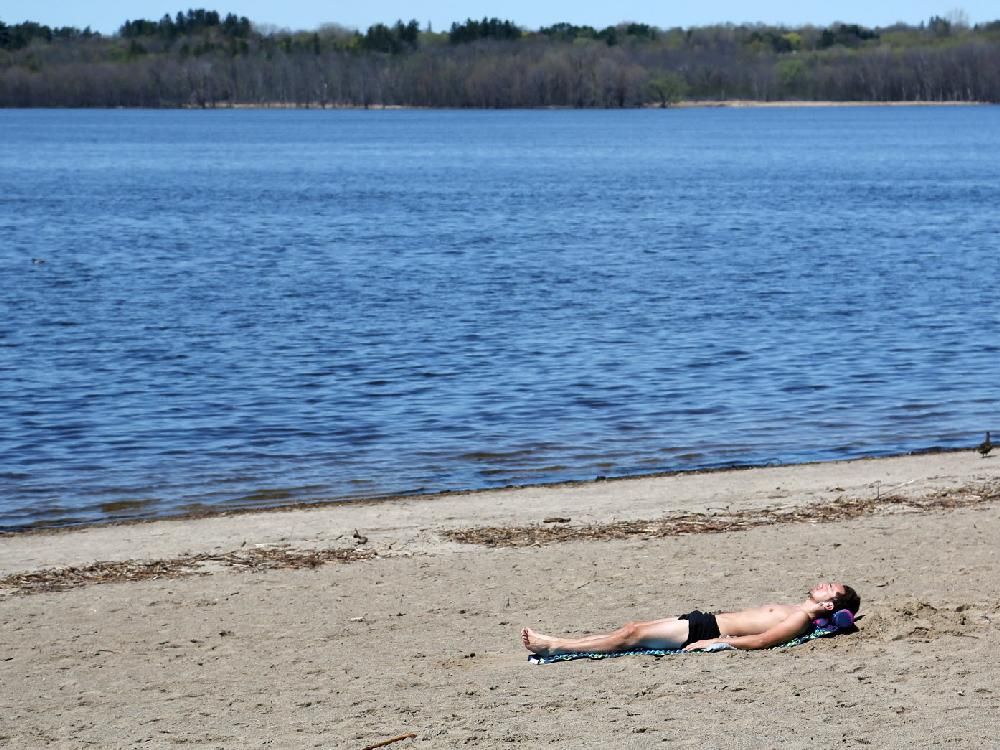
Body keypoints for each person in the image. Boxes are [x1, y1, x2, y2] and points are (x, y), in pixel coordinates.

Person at [520, 581, 860, 655]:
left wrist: (716, 642)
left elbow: (760, 641)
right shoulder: (799, 611)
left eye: (830, 587)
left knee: (631, 633)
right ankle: (558, 643)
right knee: (630, 631)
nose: (822, 583)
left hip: (704, 629)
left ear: (830, 605)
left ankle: (555, 645)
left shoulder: (800, 618)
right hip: (703, 620)